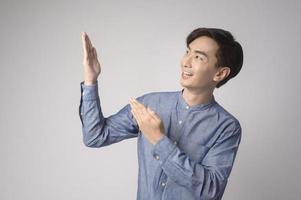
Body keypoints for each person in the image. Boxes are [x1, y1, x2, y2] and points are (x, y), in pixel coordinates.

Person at [79, 27, 243, 200]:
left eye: (198, 57)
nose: (186, 62)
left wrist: (159, 140)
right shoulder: (150, 103)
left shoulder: (227, 127)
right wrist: (91, 80)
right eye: (188, 52)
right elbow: (95, 136)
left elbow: (210, 190)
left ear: (220, 73)